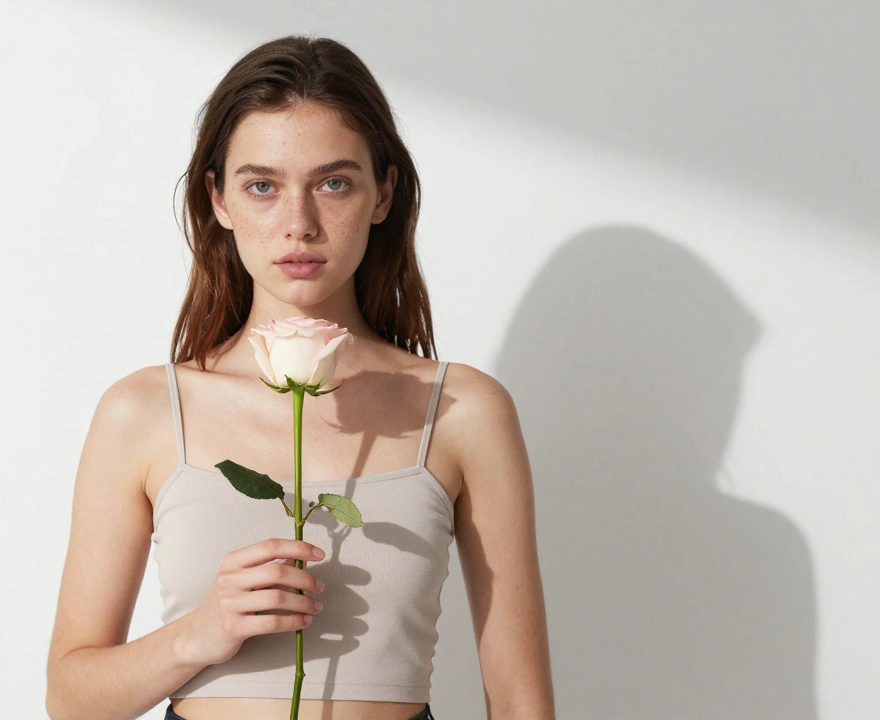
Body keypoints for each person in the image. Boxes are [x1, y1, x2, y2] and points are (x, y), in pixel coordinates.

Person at [46, 35, 555, 720]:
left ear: (384, 193)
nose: (299, 224)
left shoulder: (464, 411)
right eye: (263, 186)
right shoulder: (143, 412)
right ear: (219, 200)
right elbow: (71, 699)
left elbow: (522, 701)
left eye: (333, 183)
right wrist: (201, 634)